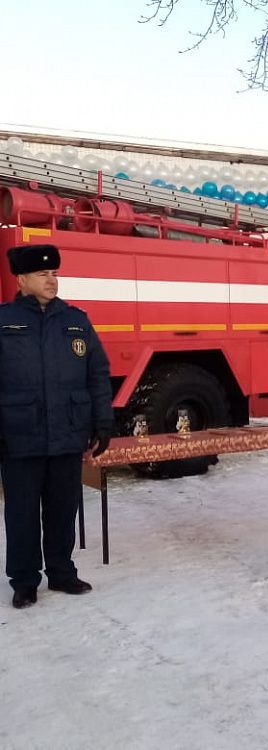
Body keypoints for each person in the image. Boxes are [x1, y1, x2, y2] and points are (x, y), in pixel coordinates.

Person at [2, 244, 113, 610]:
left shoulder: (76, 320)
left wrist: (102, 421)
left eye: (54, 274)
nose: (52, 280)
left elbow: (96, 373)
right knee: (21, 512)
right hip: (19, 435)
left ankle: (62, 572)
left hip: (67, 432)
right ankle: (24, 580)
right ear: (22, 279)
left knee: (64, 509)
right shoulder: (4, 321)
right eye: (43, 275)